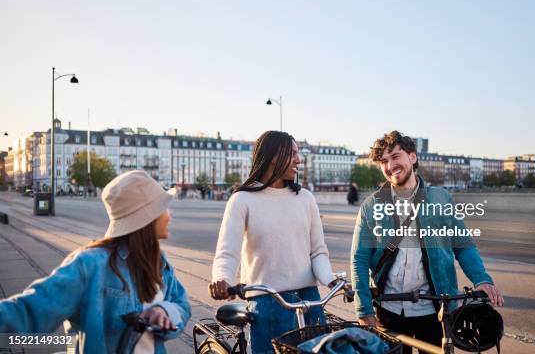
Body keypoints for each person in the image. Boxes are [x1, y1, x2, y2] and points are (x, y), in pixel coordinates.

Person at [0, 170, 191, 353]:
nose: (170, 215)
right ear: (147, 217)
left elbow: (181, 303)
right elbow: (28, 311)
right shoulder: (90, 264)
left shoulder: (159, 262)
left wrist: (163, 310)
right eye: (164, 208)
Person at [350, 131, 503, 353]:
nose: (390, 165)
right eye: (384, 161)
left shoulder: (441, 198)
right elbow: (359, 259)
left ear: (412, 157)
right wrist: (364, 308)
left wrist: (482, 280)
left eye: (395, 157)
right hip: (388, 309)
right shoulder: (371, 206)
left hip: (435, 309)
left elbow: (463, 246)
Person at [209, 130, 340, 354]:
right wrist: (222, 279)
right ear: (271, 157)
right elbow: (227, 252)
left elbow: (318, 252)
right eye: (292, 153)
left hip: (309, 299)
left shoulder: (305, 199)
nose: (299, 159)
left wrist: (330, 280)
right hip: (267, 302)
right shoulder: (242, 199)